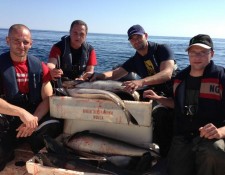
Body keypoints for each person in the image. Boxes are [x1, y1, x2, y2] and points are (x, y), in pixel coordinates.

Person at [83, 24, 177, 157]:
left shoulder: (162, 49)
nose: (136, 40)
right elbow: (115, 74)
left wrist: (140, 82)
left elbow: (166, 73)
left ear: (146, 36)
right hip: (153, 93)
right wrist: (98, 75)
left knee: (162, 117)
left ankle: (167, 156)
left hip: (173, 92)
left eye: (138, 36)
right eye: (132, 39)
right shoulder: (135, 60)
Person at [143, 34, 225, 175]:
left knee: (214, 151)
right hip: (184, 135)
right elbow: (178, 104)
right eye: (193, 52)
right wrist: (159, 98)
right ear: (188, 54)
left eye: (202, 52)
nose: (197, 57)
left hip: (212, 137)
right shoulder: (180, 78)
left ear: (212, 53)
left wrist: (221, 132)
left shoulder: (221, 77)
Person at [0, 24, 62, 171]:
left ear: (31, 43)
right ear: (7, 40)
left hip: (34, 118)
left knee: (55, 129)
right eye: (16, 41)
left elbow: (47, 98)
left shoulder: (39, 66)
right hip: (9, 117)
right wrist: (22, 114)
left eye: (25, 42)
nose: (21, 46)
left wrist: (33, 119)